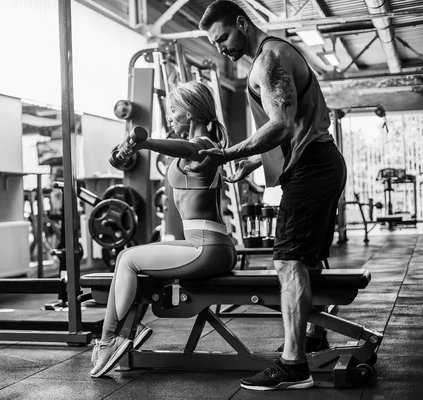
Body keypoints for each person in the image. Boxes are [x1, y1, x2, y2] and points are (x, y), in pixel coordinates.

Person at [193, 0, 347, 391]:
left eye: (223, 37)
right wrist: (255, 164)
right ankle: (311, 337)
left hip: (313, 166)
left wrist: (229, 153)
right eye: (215, 42)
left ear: (242, 24)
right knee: (306, 258)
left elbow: (280, 126)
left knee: (289, 261)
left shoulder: (270, 59)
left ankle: (294, 366)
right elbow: (294, 128)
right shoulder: (269, 57)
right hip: (317, 162)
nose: (221, 48)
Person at [90, 80, 237, 378]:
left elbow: (189, 148)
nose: (169, 116)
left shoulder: (204, 145)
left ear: (192, 113)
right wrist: (129, 152)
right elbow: (175, 148)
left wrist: (144, 142)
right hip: (208, 245)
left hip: (206, 249)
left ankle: (108, 341)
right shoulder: (195, 146)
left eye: (173, 110)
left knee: (127, 259)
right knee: (133, 258)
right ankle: (132, 327)